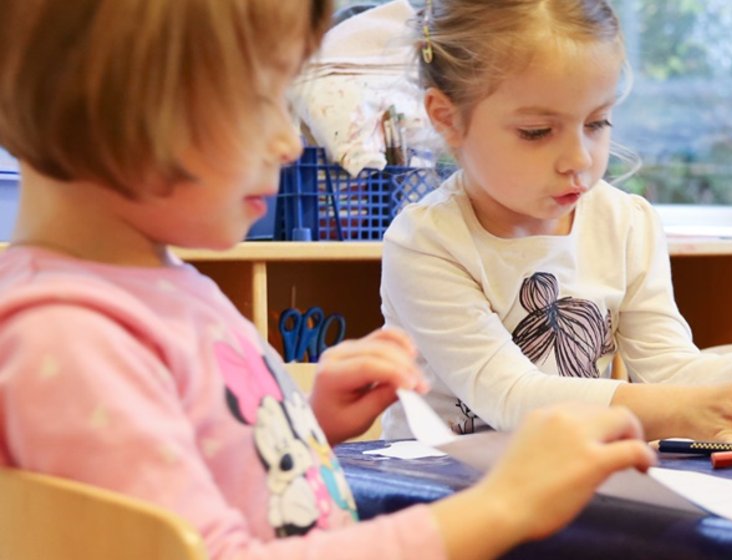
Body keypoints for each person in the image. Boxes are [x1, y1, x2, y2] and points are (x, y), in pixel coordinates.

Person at [0, 1, 658, 559]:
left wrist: (304, 424)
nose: (289, 143)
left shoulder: (154, 287)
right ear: (113, 101)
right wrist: (500, 508)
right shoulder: (67, 336)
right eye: (263, 101)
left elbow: (197, 477)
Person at [380, 0, 732, 441]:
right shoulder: (427, 243)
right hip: (441, 499)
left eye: (597, 122)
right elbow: (509, 395)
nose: (579, 158)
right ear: (447, 118)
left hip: (562, 482)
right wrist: (682, 412)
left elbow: (669, 369)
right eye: (537, 131)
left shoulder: (625, 222)